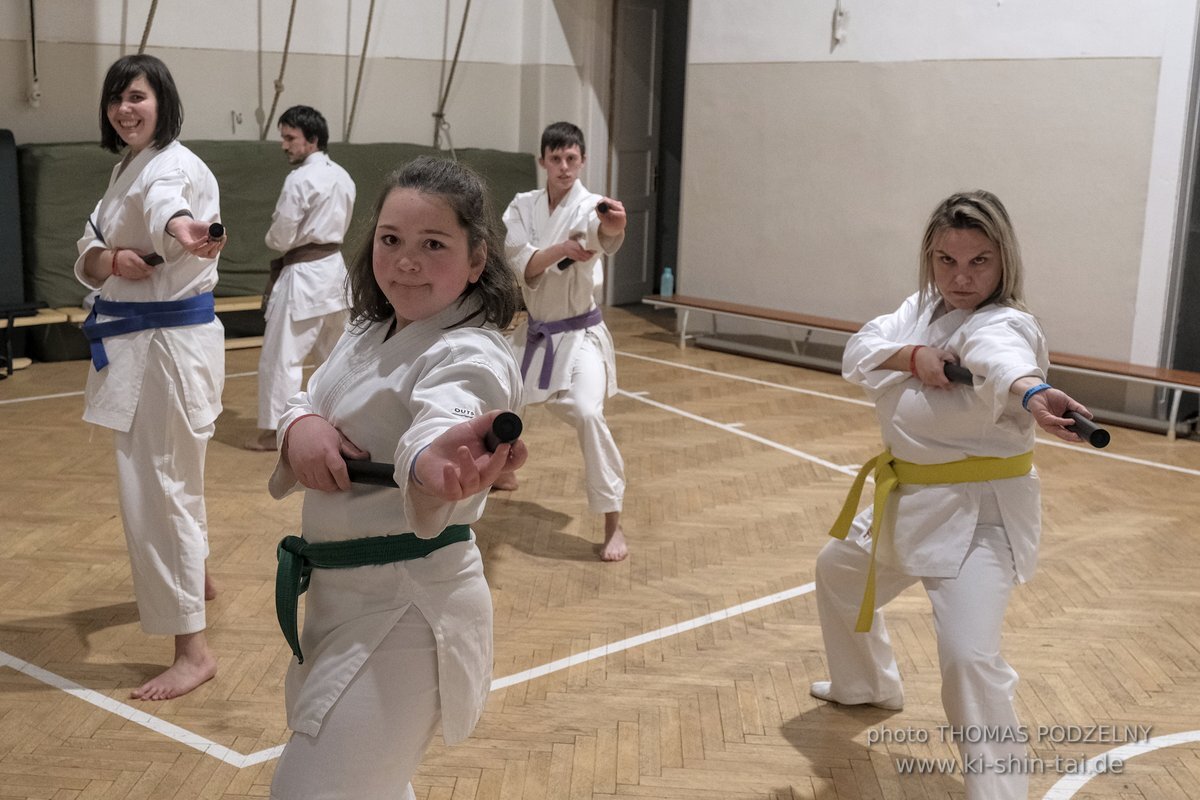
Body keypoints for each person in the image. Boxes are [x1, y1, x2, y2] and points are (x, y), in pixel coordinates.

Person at [810, 191, 1095, 799]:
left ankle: (1001, 791)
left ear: (1004, 262)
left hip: (978, 518)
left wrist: (1029, 389)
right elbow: (856, 353)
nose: (960, 278)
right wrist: (913, 356)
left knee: (968, 659)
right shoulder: (920, 308)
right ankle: (867, 685)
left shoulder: (1007, 324)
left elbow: (1003, 358)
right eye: (946, 261)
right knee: (837, 571)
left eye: (979, 262)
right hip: (907, 500)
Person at [266, 156, 525, 799]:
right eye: (391, 240)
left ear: (476, 259)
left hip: (408, 610)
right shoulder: (372, 327)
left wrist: (435, 464)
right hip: (343, 598)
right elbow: (311, 394)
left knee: (310, 793)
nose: (405, 261)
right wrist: (302, 425)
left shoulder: (470, 350)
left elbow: (451, 413)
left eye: (432, 244)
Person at [74, 54, 226, 701]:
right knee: (172, 479)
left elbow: (169, 205)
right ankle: (200, 578)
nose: (124, 109)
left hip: (164, 346)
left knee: (157, 490)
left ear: (162, 100)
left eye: (136, 96)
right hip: (148, 343)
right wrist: (108, 257)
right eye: (115, 99)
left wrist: (181, 230)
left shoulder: (169, 167)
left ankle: (192, 649)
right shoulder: (125, 168)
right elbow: (83, 252)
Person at [500, 121, 630, 561]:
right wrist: (561, 251)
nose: (563, 166)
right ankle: (503, 466)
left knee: (588, 412)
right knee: (494, 397)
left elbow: (603, 234)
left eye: (571, 158)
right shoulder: (521, 207)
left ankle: (614, 522)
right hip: (536, 331)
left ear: (582, 160)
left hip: (580, 335)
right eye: (555, 158)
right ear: (542, 161)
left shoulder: (591, 206)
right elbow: (523, 264)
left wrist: (616, 226)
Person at [246, 105, 356, 452]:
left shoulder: (300, 179)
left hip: (304, 276)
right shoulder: (343, 176)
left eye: (290, 137)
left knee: (283, 358)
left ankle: (274, 433)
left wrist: (273, 242)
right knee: (335, 357)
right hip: (335, 274)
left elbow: (280, 237)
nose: (284, 144)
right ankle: (343, 425)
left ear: (312, 140)